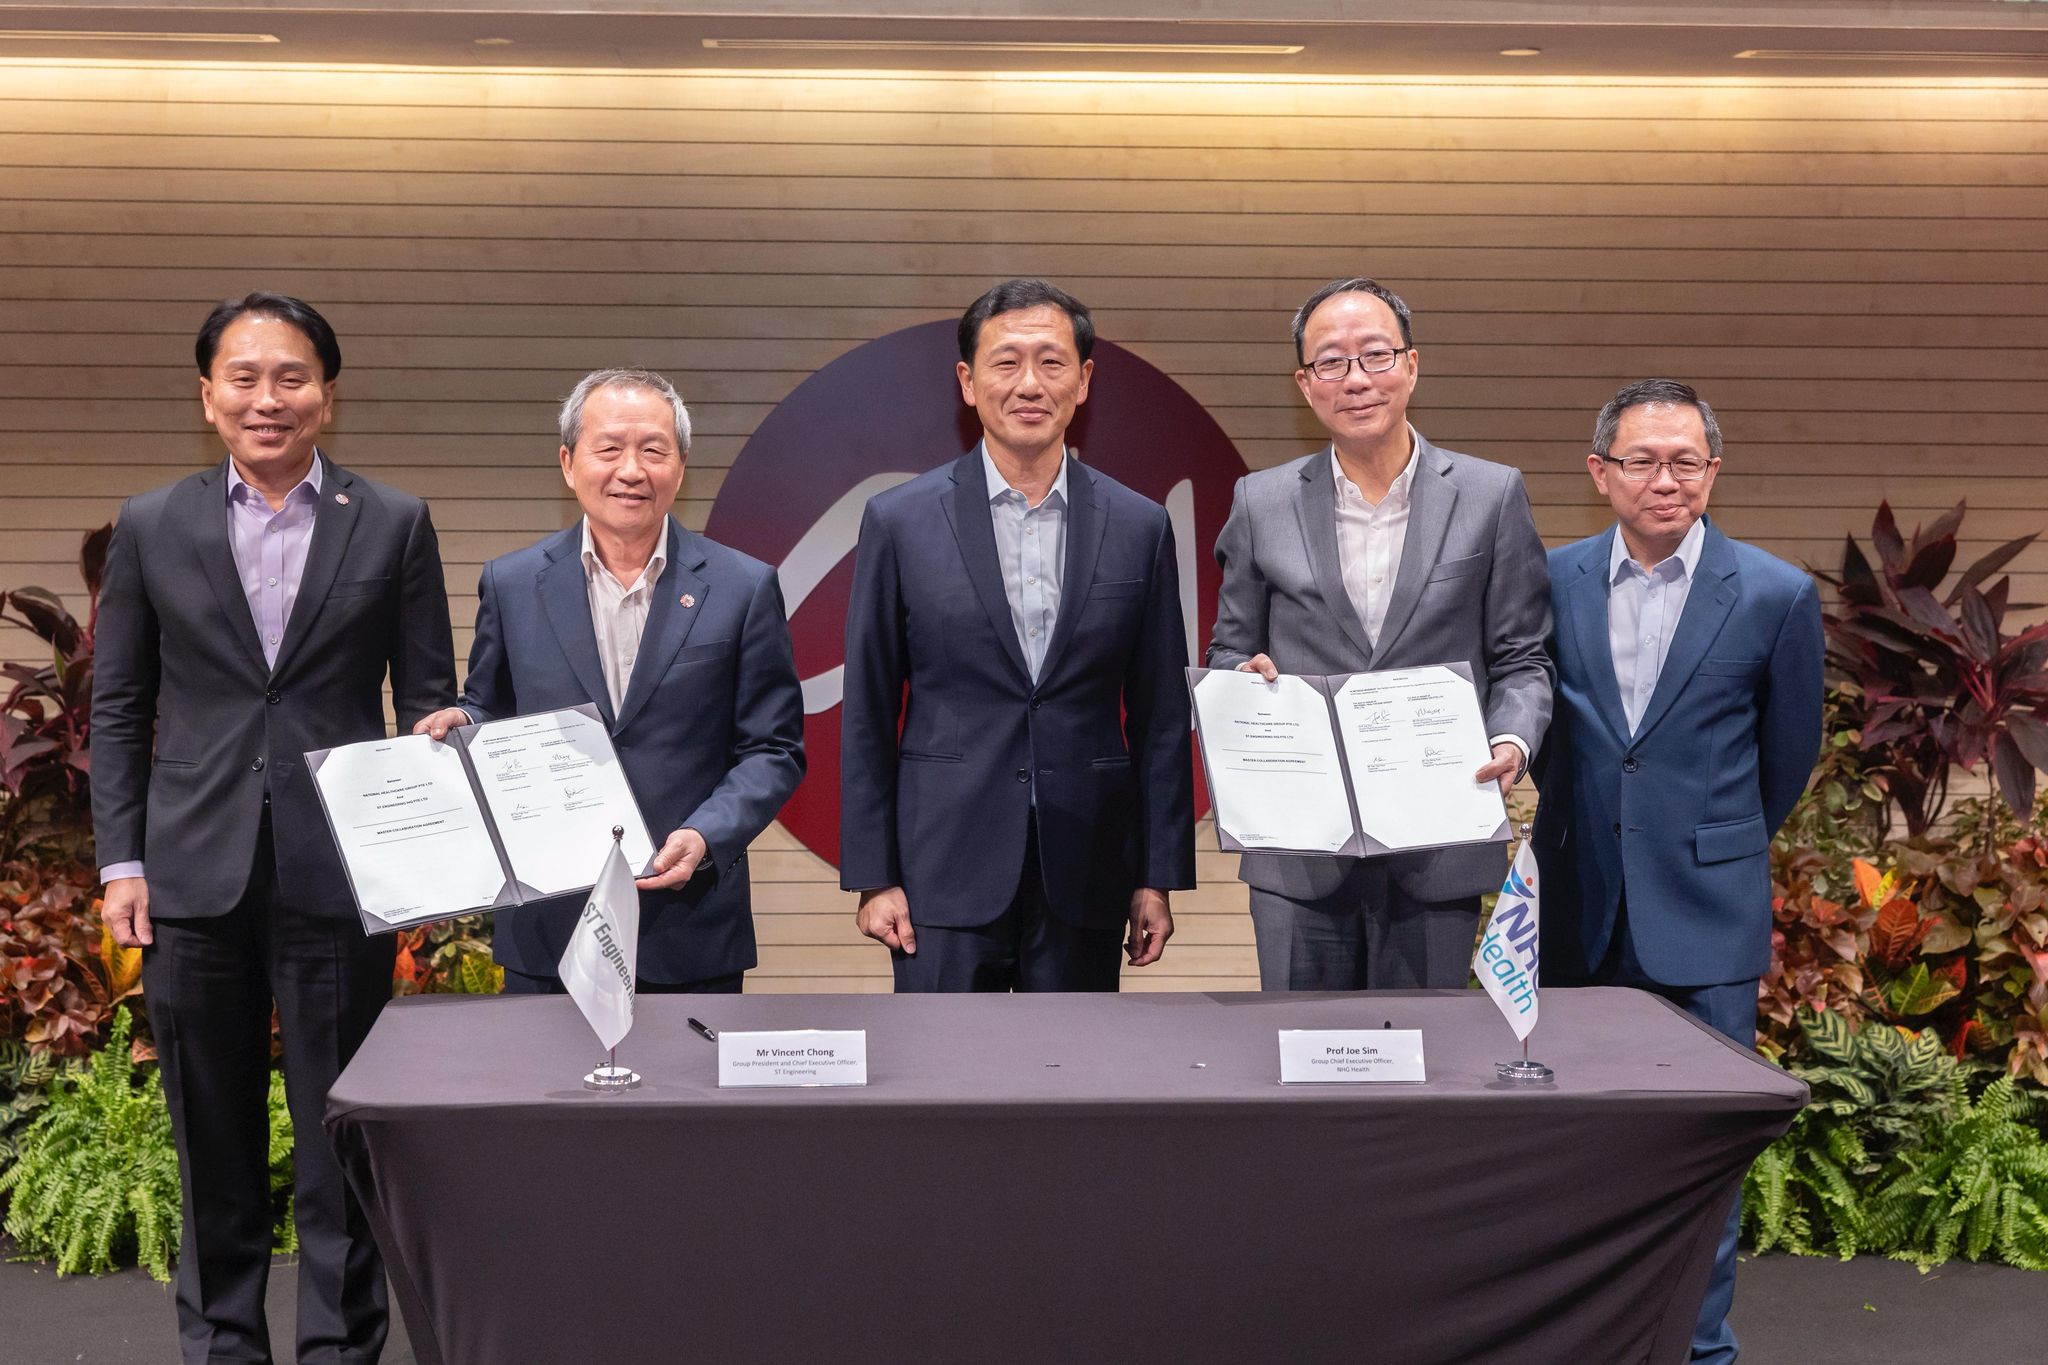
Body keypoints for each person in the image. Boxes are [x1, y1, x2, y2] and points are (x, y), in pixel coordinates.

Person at [92, 292, 456, 1364]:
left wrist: (446, 759)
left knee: (338, 1138)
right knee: (213, 1143)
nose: (267, 397)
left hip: (341, 874)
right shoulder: (154, 523)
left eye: (290, 376)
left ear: (327, 396)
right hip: (189, 875)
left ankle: (340, 1352)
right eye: (243, 377)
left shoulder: (391, 521)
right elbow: (120, 703)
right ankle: (223, 1348)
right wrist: (120, 858)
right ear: (207, 397)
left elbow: (428, 694)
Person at [1535, 378, 1822, 1365]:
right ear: (1598, 473)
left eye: (1684, 462)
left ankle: (1695, 1349)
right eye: (1641, 461)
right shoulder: (1549, 580)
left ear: (1711, 470)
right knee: (1577, 1150)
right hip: (1578, 913)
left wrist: (1697, 845)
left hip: (1704, 917)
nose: (1664, 480)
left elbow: (1784, 758)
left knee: (1702, 1154)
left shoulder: (1775, 594)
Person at [839, 278, 1195, 991]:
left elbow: (1160, 718)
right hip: (940, 870)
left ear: (1085, 380)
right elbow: (868, 709)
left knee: (1071, 1089)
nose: (1029, 383)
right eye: (1006, 362)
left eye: (1051, 361)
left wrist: (1157, 876)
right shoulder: (899, 521)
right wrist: (873, 876)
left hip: (1088, 868)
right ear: (968, 382)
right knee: (939, 1087)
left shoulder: (1139, 525)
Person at [1205, 277, 1552, 990]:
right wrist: (1243, 689)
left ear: (1412, 365)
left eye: (1375, 355)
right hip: (1299, 849)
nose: (1356, 379)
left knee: (1427, 1074)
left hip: (1438, 838)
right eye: (1331, 362)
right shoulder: (1260, 501)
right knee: (1303, 1064)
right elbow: (1230, 653)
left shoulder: (1491, 494)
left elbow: (1522, 657)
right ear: (1305, 384)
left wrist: (1510, 739)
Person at [413, 368, 804, 994]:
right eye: (609, 448)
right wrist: (466, 726)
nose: (632, 469)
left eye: (653, 449)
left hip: (688, 920)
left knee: (685, 1094)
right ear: (569, 463)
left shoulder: (742, 586)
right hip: (550, 920)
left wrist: (707, 834)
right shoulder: (511, 584)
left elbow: (774, 748)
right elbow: (490, 707)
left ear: (680, 467)